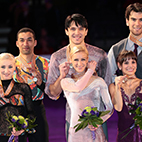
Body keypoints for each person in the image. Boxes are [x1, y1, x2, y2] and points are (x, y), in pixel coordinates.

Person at [45, 13, 112, 141]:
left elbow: (107, 86)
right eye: (73, 29)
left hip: (97, 118)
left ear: (86, 31)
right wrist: (61, 77)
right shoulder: (58, 57)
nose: (77, 32)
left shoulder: (99, 55)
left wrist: (102, 117)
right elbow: (52, 93)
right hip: (73, 118)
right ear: (66, 31)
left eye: (81, 28)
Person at [60, 45, 113, 142]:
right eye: (76, 60)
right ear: (70, 60)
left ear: (87, 60)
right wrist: (90, 71)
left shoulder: (99, 81)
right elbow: (78, 88)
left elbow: (109, 108)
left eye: (83, 59)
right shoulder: (66, 81)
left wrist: (97, 122)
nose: (79, 63)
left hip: (94, 132)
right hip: (76, 134)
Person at [13, 27, 49, 142]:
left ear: (35, 42)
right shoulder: (9, 64)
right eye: (22, 40)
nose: (26, 43)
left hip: (37, 109)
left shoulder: (44, 63)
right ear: (17, 43)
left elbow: (52, 92)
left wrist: (41, 83)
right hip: (16, 111)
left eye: (29, 40)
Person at [0, 53, 35, 142]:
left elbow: (31, 113)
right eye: (3, 67)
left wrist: (23, 127)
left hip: (18, 136)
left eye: (10, 67)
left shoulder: (23, 88)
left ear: (15, 68)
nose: (6, 71)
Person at [109, 50, 142, 142]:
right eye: (126, 63)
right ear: (119, 66)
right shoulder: (113, 86)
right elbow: (118, 108)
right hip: (123, 134)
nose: (130, 66)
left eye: (133, 62)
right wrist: (118, 87)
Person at [108, 2, 142, 83]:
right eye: (133, 19)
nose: (137, 24)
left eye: (141, 20)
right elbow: (108, 77)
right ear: (127, 21)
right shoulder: (115, 49)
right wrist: (118, 81)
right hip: (123, 95)